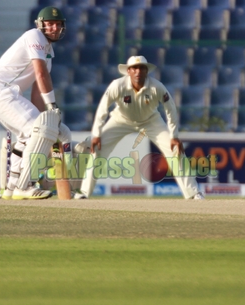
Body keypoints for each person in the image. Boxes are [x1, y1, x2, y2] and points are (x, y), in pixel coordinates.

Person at [75, 55, 204, 200]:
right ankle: (84, 193)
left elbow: (171, 109)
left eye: (142, 68)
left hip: (150, 121)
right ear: (128, 71)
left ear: (146, 71)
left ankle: (193, 194)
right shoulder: (117, 85)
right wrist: (96, 134)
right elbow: (102, 109)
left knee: (175, 150)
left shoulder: (157, 87)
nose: (138, 72)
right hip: (121, 119)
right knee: (96, 149)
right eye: (134, 68)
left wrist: (174, 136)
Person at [0, 6, 71, 200]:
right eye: (50, 24)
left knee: (28, 136)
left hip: (2, 94)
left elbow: (37, 92)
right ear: (40, 25)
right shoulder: (34, 36)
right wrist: (52, 108)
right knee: (37, 131)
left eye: (58, 24)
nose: (54, 28)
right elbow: (40, 73)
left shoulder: (48, 53)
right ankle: (25, 185)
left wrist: (45, 120)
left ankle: (11, 187)